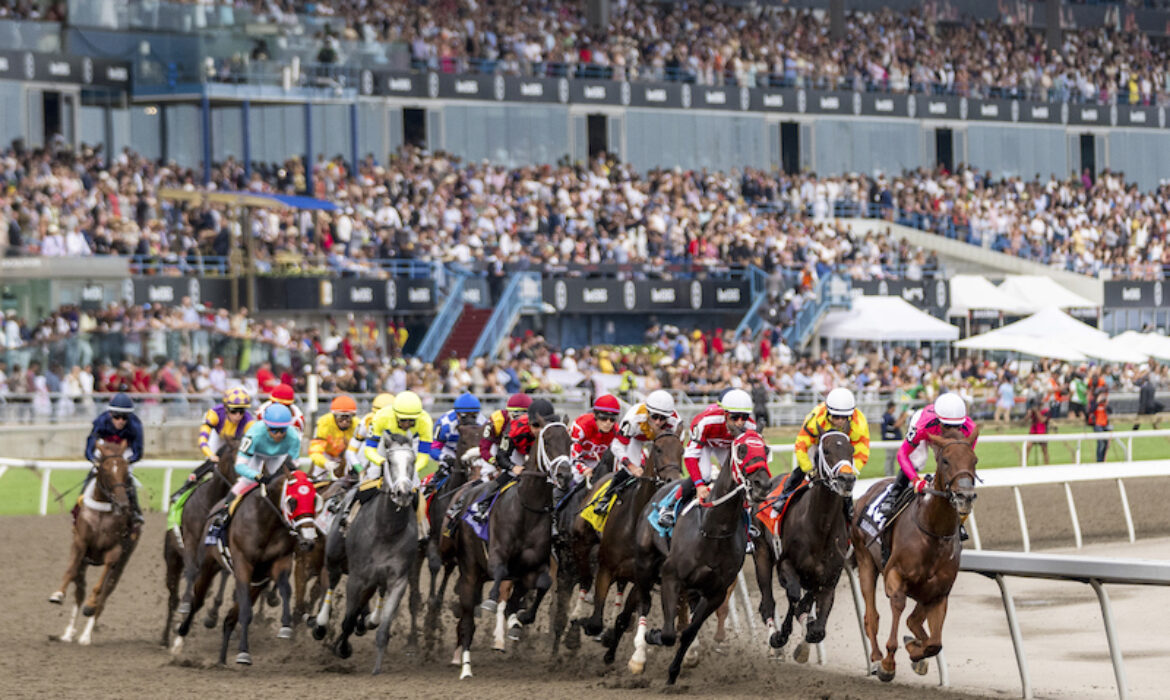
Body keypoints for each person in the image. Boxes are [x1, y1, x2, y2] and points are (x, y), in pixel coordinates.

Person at [656, 389, 756, 529]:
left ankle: (746, 517)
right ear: (725, 414)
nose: (740, 423)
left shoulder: (750, 427)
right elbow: (690, 457)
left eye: (744, 417)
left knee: (737, 475)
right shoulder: (705, 422)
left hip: (726, 444)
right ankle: (670, 505)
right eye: (735, 417)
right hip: (707, 441)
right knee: (705, 474)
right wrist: (699, 484)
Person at [205, 403, 301, 543]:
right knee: (246, 482)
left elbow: (295, 464)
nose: (279, 434)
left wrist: (289, 472)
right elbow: (240, 466)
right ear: (266, 426)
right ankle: (221, 520)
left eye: (282, 430)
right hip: (256, 454)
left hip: (278, 456)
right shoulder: (254, 434)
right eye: (274, 430)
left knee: (284, 485)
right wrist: (257, 476)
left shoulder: (293, 436)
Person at [774, 387, 870, 521]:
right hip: (817, 444)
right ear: (828, 412)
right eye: (836, 417)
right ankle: (783, 497)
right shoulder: (816, 417)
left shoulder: (859, 423)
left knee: (846, 478)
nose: (840, 421)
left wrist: (850, 469)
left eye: (844, 417)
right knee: (801, 471)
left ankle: (848, 507)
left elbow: (862, 450)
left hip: (842, 450)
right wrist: (808, 468)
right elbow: (801, 444)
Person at [880, 392, 976, 524]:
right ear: (938, 421)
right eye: (947, 426)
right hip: (928, 431)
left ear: (963, 422)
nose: (952, 432)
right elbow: (902, 454)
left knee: (954, 466)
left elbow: (964, 463)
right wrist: (915, 481)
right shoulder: (923, 425)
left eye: (957, 426)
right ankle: (893, 496)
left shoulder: (970, 429)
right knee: (918, 460)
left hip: (938, 432)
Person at [469, 398, 556, 525]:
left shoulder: (553, 431)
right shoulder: (514, 428)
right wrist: (511, 467)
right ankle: (483, 504)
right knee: (509, 474)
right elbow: (499, 454)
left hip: (535, 450)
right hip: (513, 449)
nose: (539, 430)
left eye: (543, 426)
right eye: (536, 426)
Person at [602, 390, 681, 515]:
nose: (658, 422)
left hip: (661, 440)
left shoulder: (675, 422)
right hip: (636, 438)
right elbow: (616, 446)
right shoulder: (633, 418)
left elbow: (676, 449)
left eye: (663, 418)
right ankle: (606, 498)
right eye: (655, 416)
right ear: (647, 411)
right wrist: (631, 466)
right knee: (633, 468)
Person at [171, 387, 254, 505]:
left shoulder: (249, 422)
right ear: (225, 408)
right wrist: (210, 455)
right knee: (214, 462)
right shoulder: (214, 414)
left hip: (236, 440)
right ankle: (185, 487)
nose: (238, 415)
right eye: (233, 411)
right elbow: (202, 440)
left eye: (241, 411)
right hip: (217, 436)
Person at [83, 392, 145, 524]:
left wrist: (127, 462)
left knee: (126, 476)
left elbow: (138, 451)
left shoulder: (135, 425)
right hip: (106, 448)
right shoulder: (101, 421)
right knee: (92, 474)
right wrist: (93, 460)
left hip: (125, 451)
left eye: (124, 417)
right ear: (110, 414)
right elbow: (90, 445)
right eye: (117, 417)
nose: (121, 421)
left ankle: (135, 511)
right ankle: (79, 506)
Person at [567, 394, 621, 510]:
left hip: (596, 462)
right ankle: (558, 507)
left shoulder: (616, 431)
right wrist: (583, 469)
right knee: (575, 478)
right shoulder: (581, 425)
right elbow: (573, 454)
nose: (608, 423)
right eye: (603, 418)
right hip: (575, 459)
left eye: (612, 419)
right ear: (595, 416)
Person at [478, 393, 533, 482]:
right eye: (516, 415)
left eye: (525, 416)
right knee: (487, 475)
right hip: (496, 446)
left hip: (516, 448)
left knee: (517, 474)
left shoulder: (533, 424)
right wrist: (494, 462)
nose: (521, 420)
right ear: (508, 412)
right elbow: (484, 448)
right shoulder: (497, 419)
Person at [432, 392, 488, 479]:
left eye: (473, 416)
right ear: (457, 414)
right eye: (464, 416)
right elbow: (434, 448)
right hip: (450, 452)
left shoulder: (483, 423)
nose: (469, 420)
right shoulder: (445, 423)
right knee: (442, 473)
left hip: (471, 452)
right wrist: (445, 458)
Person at [308, 395, 358, 480]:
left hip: (346, 455)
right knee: (315, 478)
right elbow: (315, 451)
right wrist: (325, 463)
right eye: (341, 417)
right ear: (334, 416)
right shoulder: (323, 423)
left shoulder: (358, 425)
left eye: (348, 417)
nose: (345, 421)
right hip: (326, 454)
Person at [345, 392, 395, 474]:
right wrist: (359, 468)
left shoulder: (402, 423)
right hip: (366, 460)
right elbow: (350, 451)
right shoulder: (366, 421)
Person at [881, 400, 906, 477]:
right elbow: (896, 425)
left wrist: (901, 416)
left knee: (891, 457)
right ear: (891, 408)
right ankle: (889, 473)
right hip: (890, 439)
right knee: (890, 457)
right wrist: (904, 417)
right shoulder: (888, 417)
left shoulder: (887, 416)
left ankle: (891, 473)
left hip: (890, 439)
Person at [1025, 398, 1051, 465]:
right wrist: (1029, 414)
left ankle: (1047, 466)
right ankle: (1024, 464)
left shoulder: (1046, 411)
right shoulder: (1031, 411)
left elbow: (1042, 420)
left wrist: (1037, 411)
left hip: (1042, 432)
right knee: (1027, 447)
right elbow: (1025, 421)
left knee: (1044, 450)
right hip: (1033, 432)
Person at [1092, 388, 1113, 462]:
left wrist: (1106, 404)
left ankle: (1103, 459)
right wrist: (1097, 401)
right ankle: (1099, 460)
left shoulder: (1104, 404)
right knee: (1100, 443)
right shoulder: (1094, 403)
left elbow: (1110, 411)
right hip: (1098, 424)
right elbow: (1091, 410)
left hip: (1104, 425)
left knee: (1106, 443)